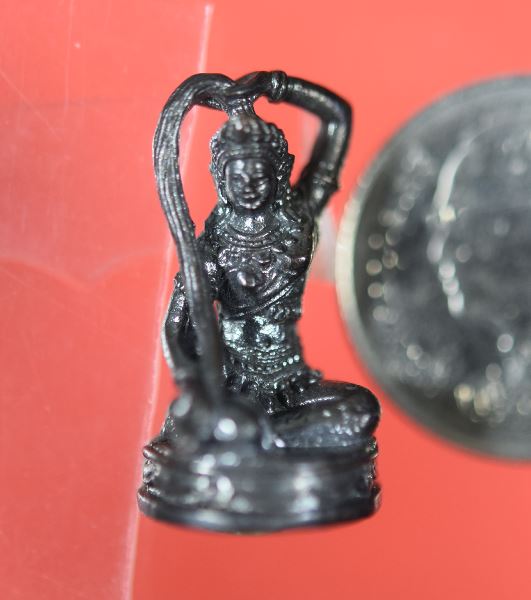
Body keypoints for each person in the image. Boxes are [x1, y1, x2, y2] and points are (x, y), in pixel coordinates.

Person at [159, 71, 379, 448]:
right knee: (206, 422)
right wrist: (191, 382)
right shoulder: (212, 248)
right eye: (237, 177)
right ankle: (260, 435)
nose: (248, 186)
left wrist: (275, 86)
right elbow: (176, 328)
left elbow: (337, 119)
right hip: (233, 381)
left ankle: (258, 438)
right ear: (220, 179)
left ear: (278, 174)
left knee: (361, 409)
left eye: (258, 175)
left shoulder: (299, 218)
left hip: (292, 380)